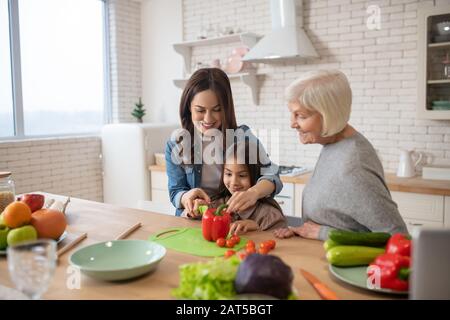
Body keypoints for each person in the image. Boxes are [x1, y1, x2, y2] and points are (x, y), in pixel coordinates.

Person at [274, 70, 408, 241]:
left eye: (300, 115)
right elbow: (336, 216)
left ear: (329, 115)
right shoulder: (334, 144)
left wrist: (324, 233)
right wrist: (303, 230)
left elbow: (398, 237)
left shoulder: (355, 166)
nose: (292, 124)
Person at [165, 68, 282, 217]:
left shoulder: (241, 137)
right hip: (192, 220)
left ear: (226, 108)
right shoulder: (176, 145)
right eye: (200, 110)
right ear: (189, 107)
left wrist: (254, 192)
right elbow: (175, 191)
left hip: (231, 219)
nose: (208, 119)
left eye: (216, 109)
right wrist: (186, 197)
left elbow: (272, 175)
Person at [183, 139, 287, 235]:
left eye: (242, 175)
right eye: (228, 174)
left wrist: (257, 228)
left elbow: (284, 244)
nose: (234, 183)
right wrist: (193, 211)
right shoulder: (215, 205)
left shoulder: (269, 215)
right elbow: (187, 224)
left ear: (256, 175)